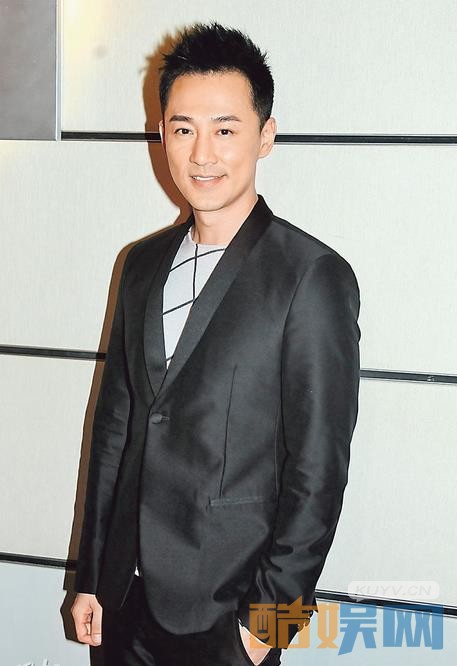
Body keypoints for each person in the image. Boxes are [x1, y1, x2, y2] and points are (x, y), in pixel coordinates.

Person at [71, 21, 361, 666]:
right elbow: (115, 429)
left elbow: (319, 471)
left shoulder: (311, 276)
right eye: (183, 129)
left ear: (266, 135)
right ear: (162, 134)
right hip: (122, 601)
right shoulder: (141, 264)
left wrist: (269, 628)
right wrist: (90, 575)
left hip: (230, 617)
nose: (202, 154)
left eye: (225, 130)